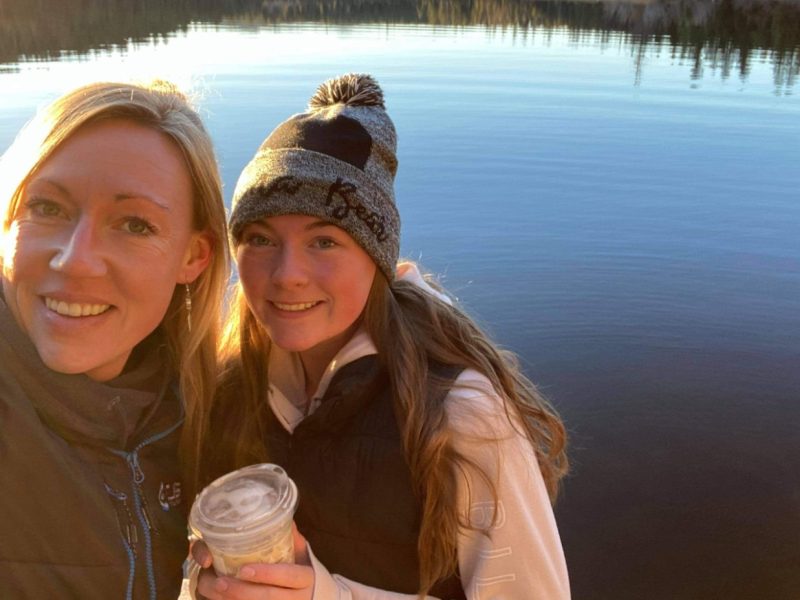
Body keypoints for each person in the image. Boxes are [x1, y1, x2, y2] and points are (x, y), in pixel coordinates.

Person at [191, 73, 569, 599]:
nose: (286, 275)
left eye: (324, 241)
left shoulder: (460, 413)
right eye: (260, 238)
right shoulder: (230, 383)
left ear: (377, 256)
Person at [0, 80, 229, 598]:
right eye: (46, 208)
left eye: (134, 224)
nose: (75, 259)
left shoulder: (196, 404)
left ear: (193, 256)